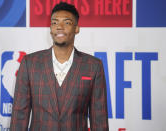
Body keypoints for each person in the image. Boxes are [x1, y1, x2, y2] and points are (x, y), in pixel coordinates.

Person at [10, 2, 109, 131]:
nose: (59, 27)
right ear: (50, 29)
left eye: (67, 23)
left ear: (77, 28)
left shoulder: (93, 66)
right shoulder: (30, 63)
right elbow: (19, 116)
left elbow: (99, 120)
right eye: (54, 23)